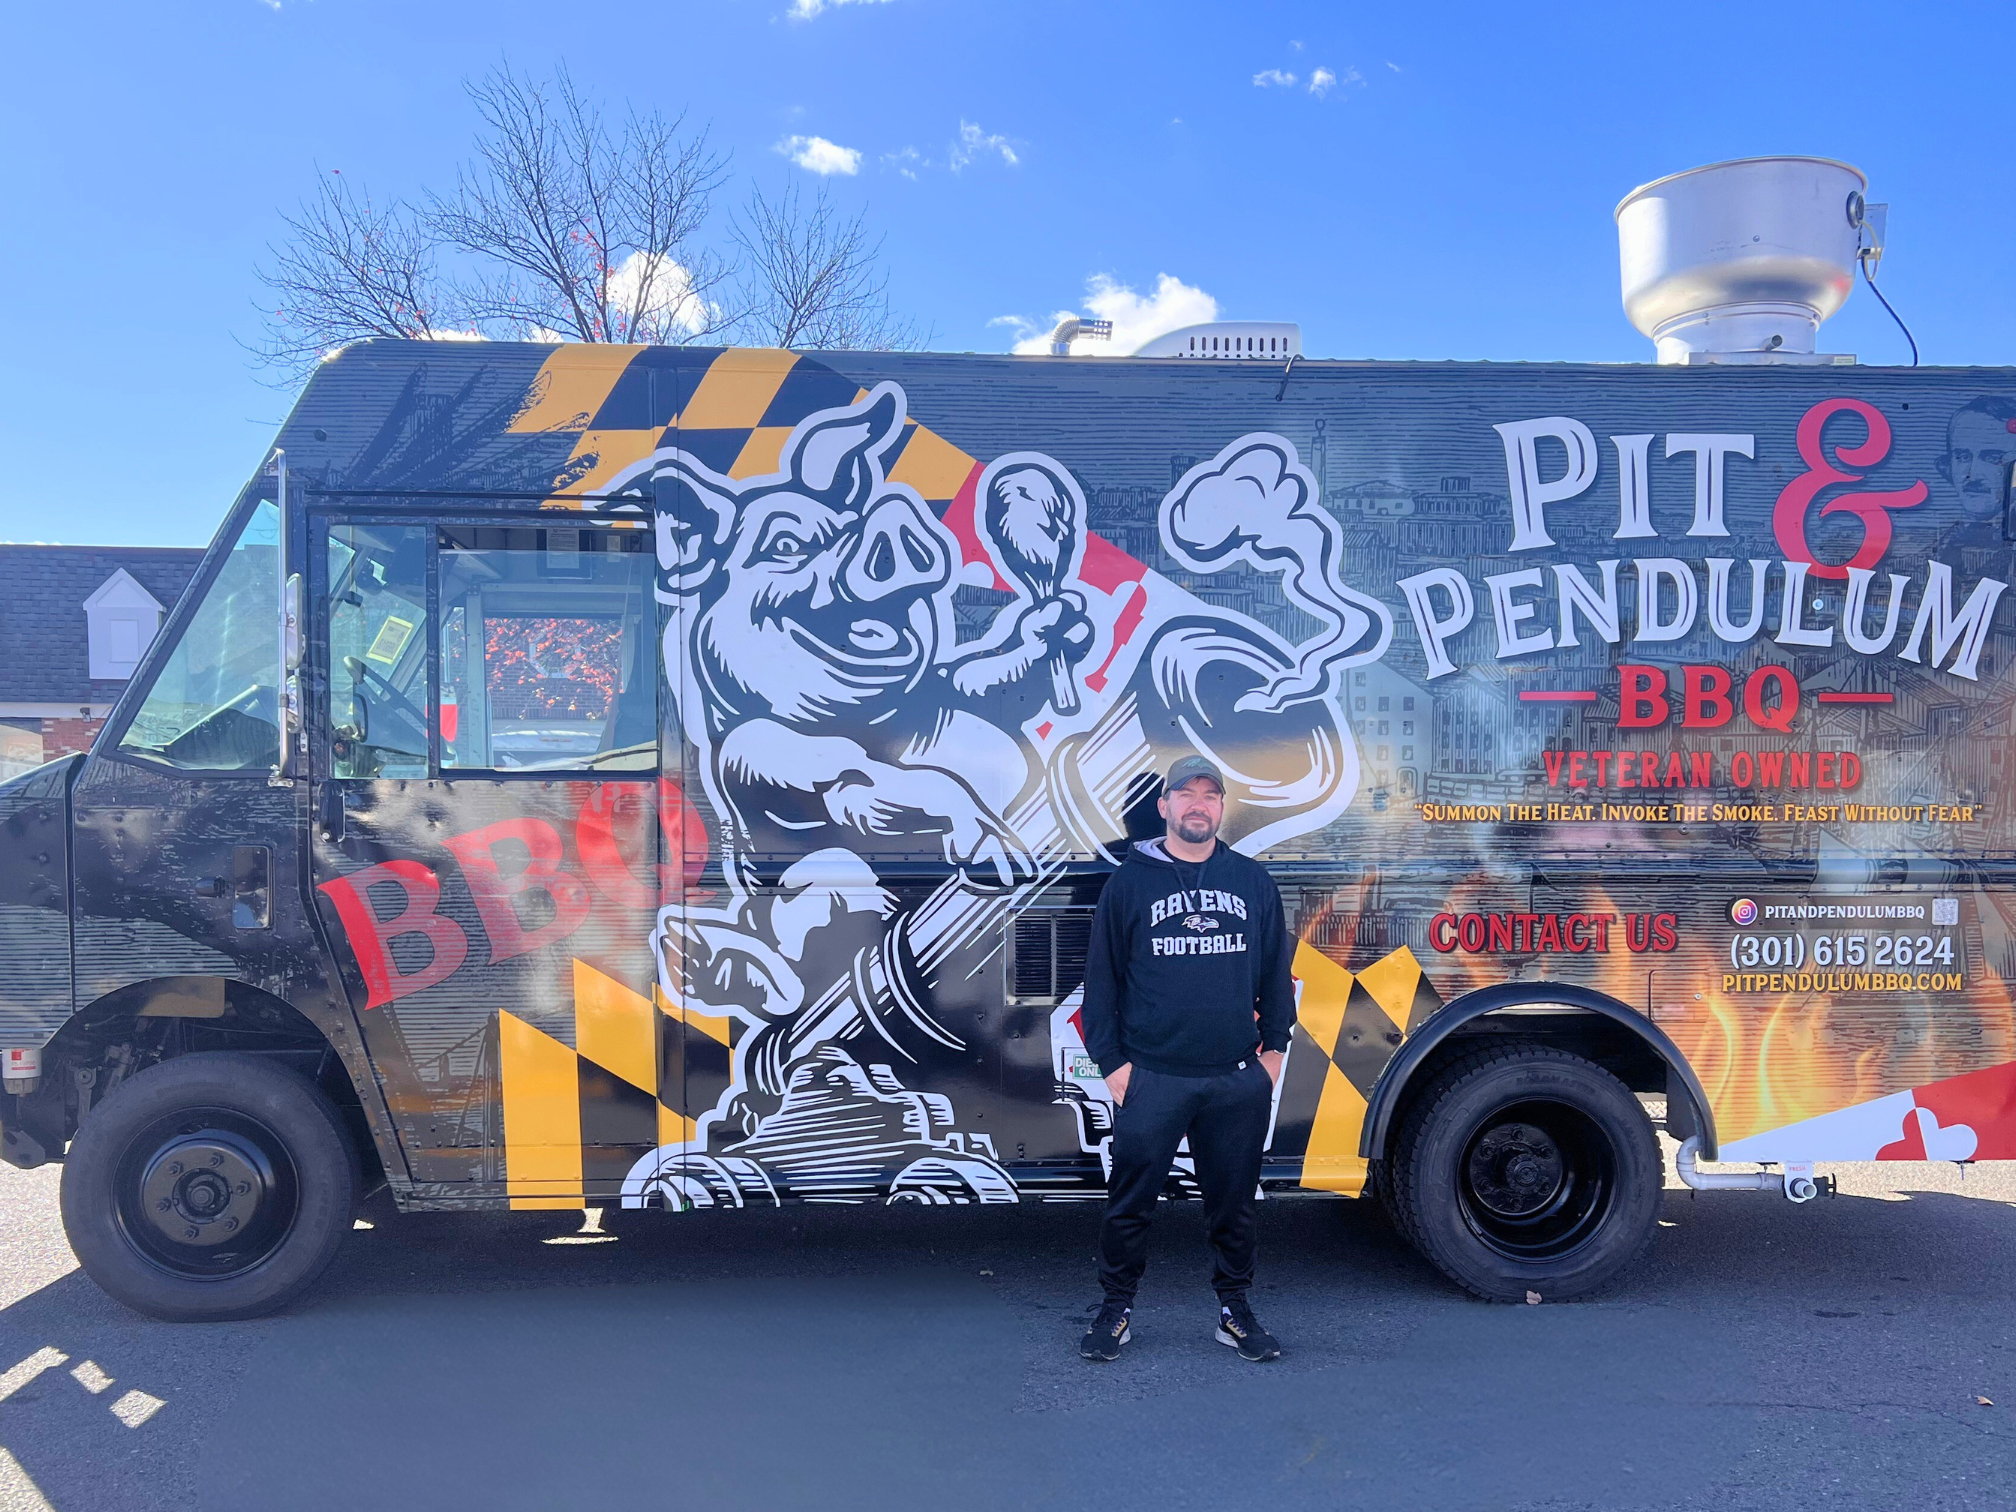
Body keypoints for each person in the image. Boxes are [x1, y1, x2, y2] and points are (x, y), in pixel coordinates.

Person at [1077, 754, 1294, 1363]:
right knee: (1129, 1206)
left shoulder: (1252, 881)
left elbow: (1276, 974)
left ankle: (1235, 1311)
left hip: (1235, 1078)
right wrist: (1114, 1066)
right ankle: (1115, 1309)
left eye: (1210, 795)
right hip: (1153, 1076)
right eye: (1187, 794)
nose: (1199, 805)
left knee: (1235, 1207)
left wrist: (1274, 1053)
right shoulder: (1129, 883)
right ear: (1164, 806)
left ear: (1221, 807)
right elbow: (1101, 985)